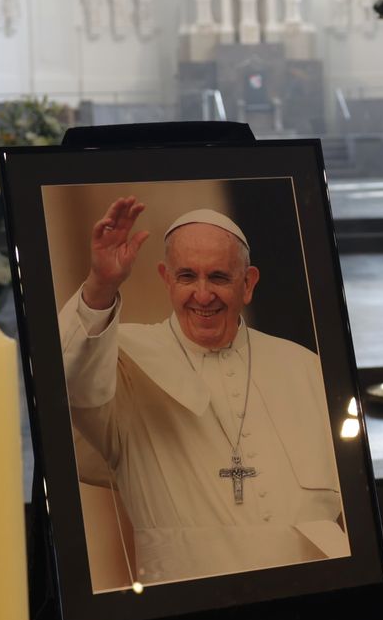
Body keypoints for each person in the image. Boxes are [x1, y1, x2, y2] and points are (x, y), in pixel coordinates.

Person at [58, 198, 347, 586]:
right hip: (185, 602)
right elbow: (66, 379)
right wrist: (101, 286)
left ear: (248, 284)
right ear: (166, 279)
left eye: (220, 278)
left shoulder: (304, 366)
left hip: (308, 594)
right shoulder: (121, 360)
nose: (203, 295)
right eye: (187, 277)